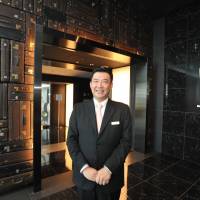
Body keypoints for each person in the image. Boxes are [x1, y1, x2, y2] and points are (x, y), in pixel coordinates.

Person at [67, 66, 132, 200]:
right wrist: (84, 168)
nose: (99, 85)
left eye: (104, 81)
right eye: (96, 81)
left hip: (111, 178)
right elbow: (71, 140)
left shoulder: (123, 110)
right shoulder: (78, 109)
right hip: (84, 178)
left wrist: (108, 168)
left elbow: (126, 142)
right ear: (91, 84)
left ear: (111, 85)